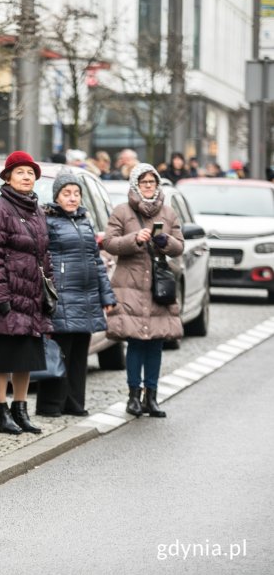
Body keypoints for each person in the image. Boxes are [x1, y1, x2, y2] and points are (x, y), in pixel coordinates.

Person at [0, 151, 53, 435]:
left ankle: (21, 410)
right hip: (8, 294)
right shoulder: (0, 207)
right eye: (20, 172)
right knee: (3, 356)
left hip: (33, 295)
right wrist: (1, 295)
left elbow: (45, 254)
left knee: (27, 357)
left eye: (30, 173)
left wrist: (50, 287)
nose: (26, 177)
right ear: (7, 177)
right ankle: (0, 411)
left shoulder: (37, 209)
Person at [103, 163, 183, 419]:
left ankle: (152, 396)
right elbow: (109, 243)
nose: (149, 186)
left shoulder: (168, 213)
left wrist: (165, 242)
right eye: (144, 182)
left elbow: (179, 246)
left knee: (156, 343)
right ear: (135, 184)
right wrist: (134, 239)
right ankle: (133, 396)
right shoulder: (121, 211)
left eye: (152, 182)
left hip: (159, 287)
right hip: (130, 286)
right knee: (136, 342)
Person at [36, 170, 116, 417]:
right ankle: (51, 405)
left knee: (80, 353)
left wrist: (107, 296)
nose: (72, 198)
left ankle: (74, 403)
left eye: (76, 193)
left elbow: (96, 260)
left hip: (87, 295)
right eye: (66, 193)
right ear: (56, 196)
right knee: (60, 351)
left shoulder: (84, 220)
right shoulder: (48, 221)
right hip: (62, 294)